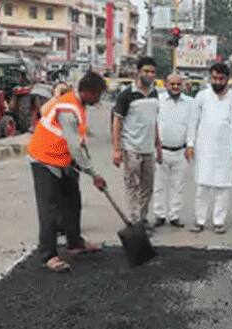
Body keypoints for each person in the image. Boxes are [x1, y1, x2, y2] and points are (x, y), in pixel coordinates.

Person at [27, 72, 108, 272]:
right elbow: (74, 146)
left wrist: (87, 166)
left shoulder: (78, 104)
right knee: (50, 208)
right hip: (44, 159)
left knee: (73, 200)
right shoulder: (67, 108)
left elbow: (79, 143)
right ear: (89, 92)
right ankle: (49, 255)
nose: (99, 101)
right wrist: (93, 174)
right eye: (98, 95)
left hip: (63, 160)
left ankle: (74, 243)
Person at [186, 63, 232, 234]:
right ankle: (200, 221)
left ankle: (219, 221)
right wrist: (190, 144)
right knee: (202, 187)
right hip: (204, 149)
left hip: (226, 151)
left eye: (221, 78)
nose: (217, 82)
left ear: (227, 79)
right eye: (214, 78)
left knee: (223, 188)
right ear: (210, 78)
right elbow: (193, 123)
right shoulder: (202, 96)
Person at [112, 57, 162, 230]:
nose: (150, 75)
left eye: (152, 72)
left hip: (149, 149)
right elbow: (117, 122)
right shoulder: (126, 95)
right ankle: (135, 221)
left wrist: (158, 146)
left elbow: (153, 122)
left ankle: (142, 217)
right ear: (138, 72)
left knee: (147, 186)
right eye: (146, 71)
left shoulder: (155, 94)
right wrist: (117, 150)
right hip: (131, 148)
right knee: (132, 185)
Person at [153, 73, 192, 229]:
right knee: (159, 185)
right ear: (165, 84)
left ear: (182, 85)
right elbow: (153, 124)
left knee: (178, 185)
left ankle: (174, 215)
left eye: (178, 84)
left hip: (181, 151)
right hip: (161, 150)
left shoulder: (190, 103)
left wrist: (190, 146)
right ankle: (159, 215)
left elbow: (191, 126)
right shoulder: (158, 101)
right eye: (172, 84)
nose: (175, 87)